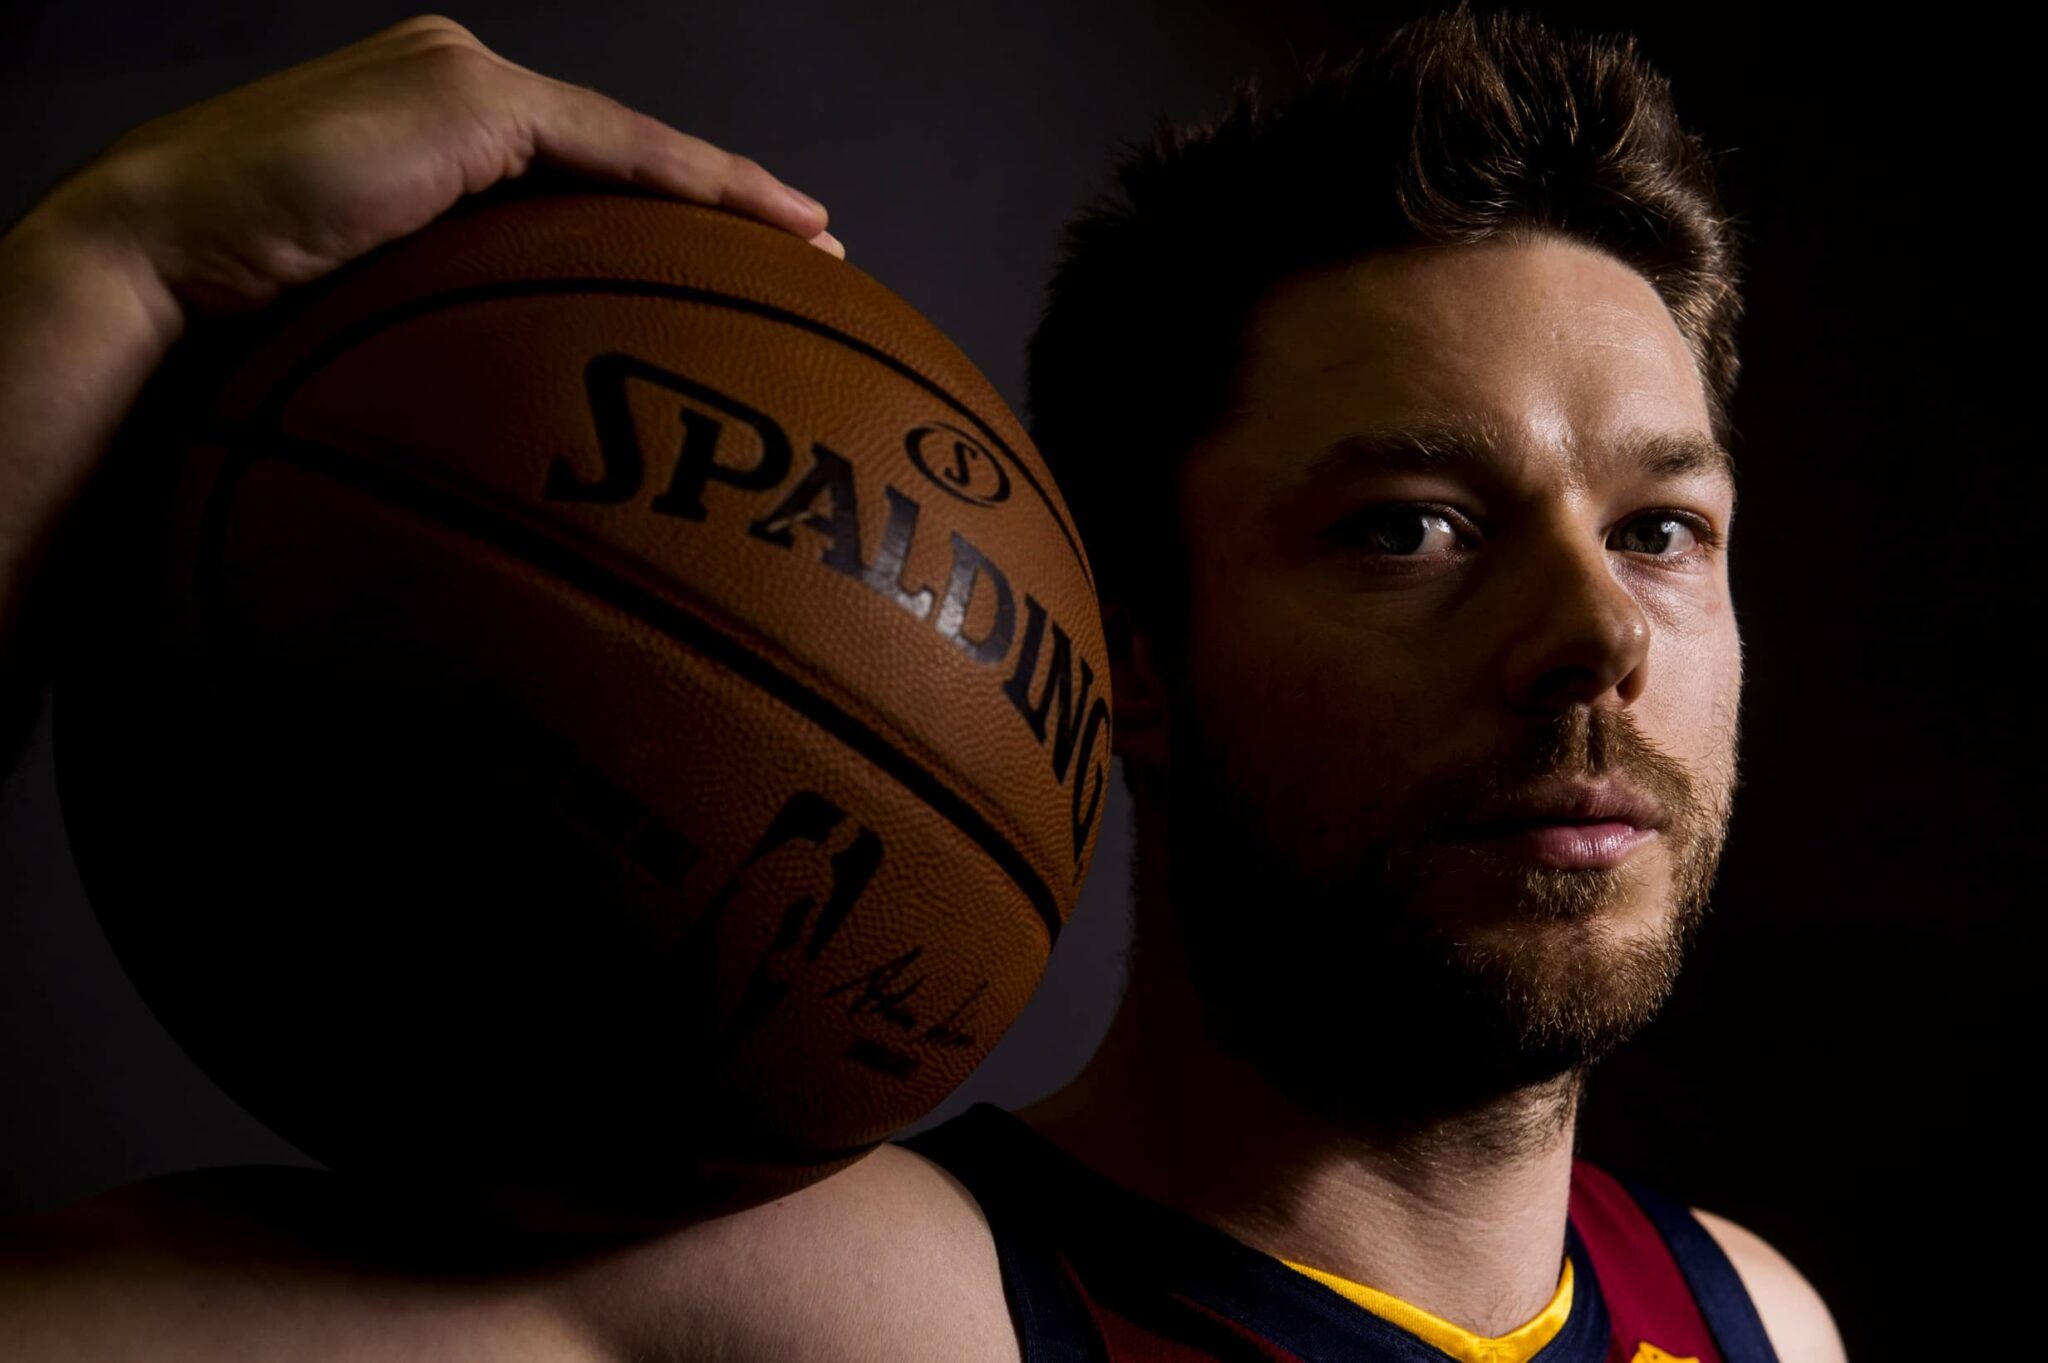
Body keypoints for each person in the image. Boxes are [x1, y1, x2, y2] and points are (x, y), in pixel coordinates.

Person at [0, 7, 1846, 1361]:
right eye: (1409, 529)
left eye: (1661, 529)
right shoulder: (819, 1315)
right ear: (1127, 656)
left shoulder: (1755, 1321)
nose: (1596, 636)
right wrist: (112, 262)